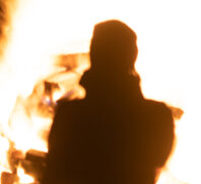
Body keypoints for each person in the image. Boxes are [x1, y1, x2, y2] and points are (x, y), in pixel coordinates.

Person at [44, 20, 175, 184]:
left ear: (94, 55)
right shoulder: (157, 118)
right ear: (132, 56)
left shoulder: (69, 117)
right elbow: (158, 161)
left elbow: (54, 173)